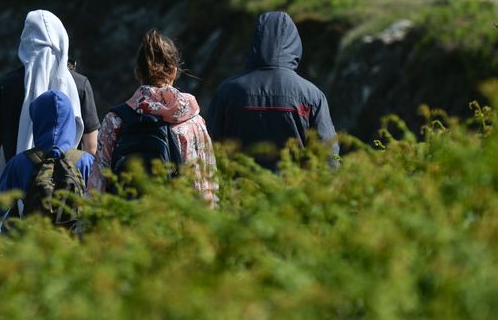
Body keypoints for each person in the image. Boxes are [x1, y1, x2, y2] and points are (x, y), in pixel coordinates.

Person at [0, 9, 100, 196]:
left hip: (18, 188)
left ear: (25, 42)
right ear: (61, 39)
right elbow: (91, 147)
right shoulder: (80, 84)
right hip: (70, 195)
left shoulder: (3, 87)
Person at [89, 30, 218, 207]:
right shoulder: (193, 122)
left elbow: (97, 184)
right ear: (173, 71)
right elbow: (206, 187)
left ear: (138, 72)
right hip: (177, 225)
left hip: (125, 225)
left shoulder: (115, 120)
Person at [207, 11, 339, 167]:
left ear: (256, 41)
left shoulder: (227, 91)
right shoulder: (312, 95)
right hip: (293, 188)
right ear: (294, 44)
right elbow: (328, 154)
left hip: (239, 186)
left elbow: (209, 147)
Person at [0, 89, 95, 224]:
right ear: (70, 121)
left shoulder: (19, 163)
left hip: (35, 241)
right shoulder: (86, 161)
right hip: (75, 242)